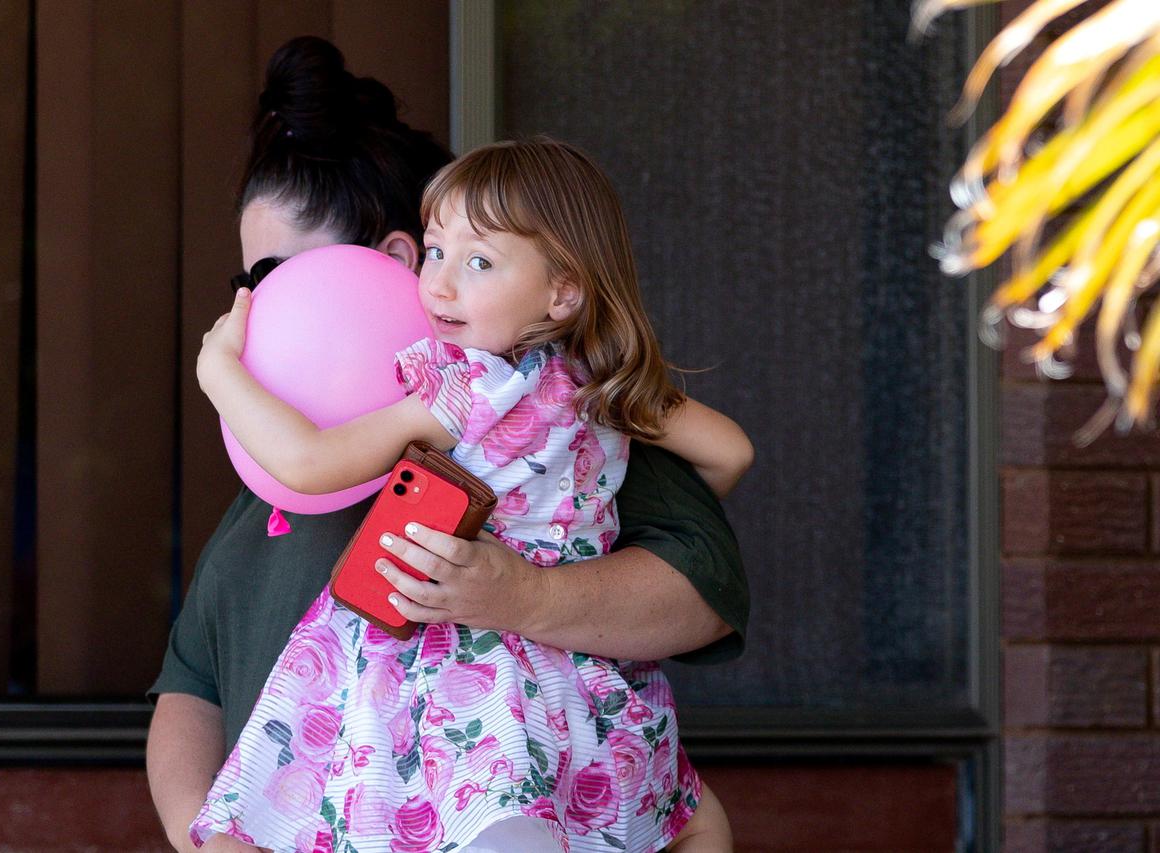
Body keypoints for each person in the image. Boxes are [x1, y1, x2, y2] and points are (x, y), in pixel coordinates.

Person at [145, 36, 749, 853]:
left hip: (496, 770)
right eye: (248, 283)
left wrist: (528, 592)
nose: (259, 308)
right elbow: (192, 686)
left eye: (279, 275)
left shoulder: (495, 401)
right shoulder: (273, 481)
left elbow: (700, 590)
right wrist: (202, 837)